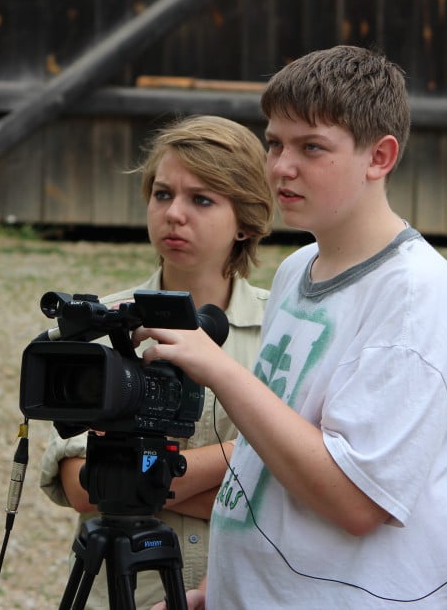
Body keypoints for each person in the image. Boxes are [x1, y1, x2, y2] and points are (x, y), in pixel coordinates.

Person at [140, 45, 447, 609]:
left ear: (380, 157)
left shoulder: (416, 298)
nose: (280, 167)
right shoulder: (299, 267)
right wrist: (222, 589)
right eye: (274, 142)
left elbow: (356, 502)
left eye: (311, 147)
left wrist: (220, 370)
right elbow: (274, 454)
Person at [37, 114, 275, 608]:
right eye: (162, 194)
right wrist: (247, 456)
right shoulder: (100, 321)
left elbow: (285, 497)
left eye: (202, 199)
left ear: (246, 221)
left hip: (234, 592)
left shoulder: (283, 330)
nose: (174, 214)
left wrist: (133, 484)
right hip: (125, 592)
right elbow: (80, 486)